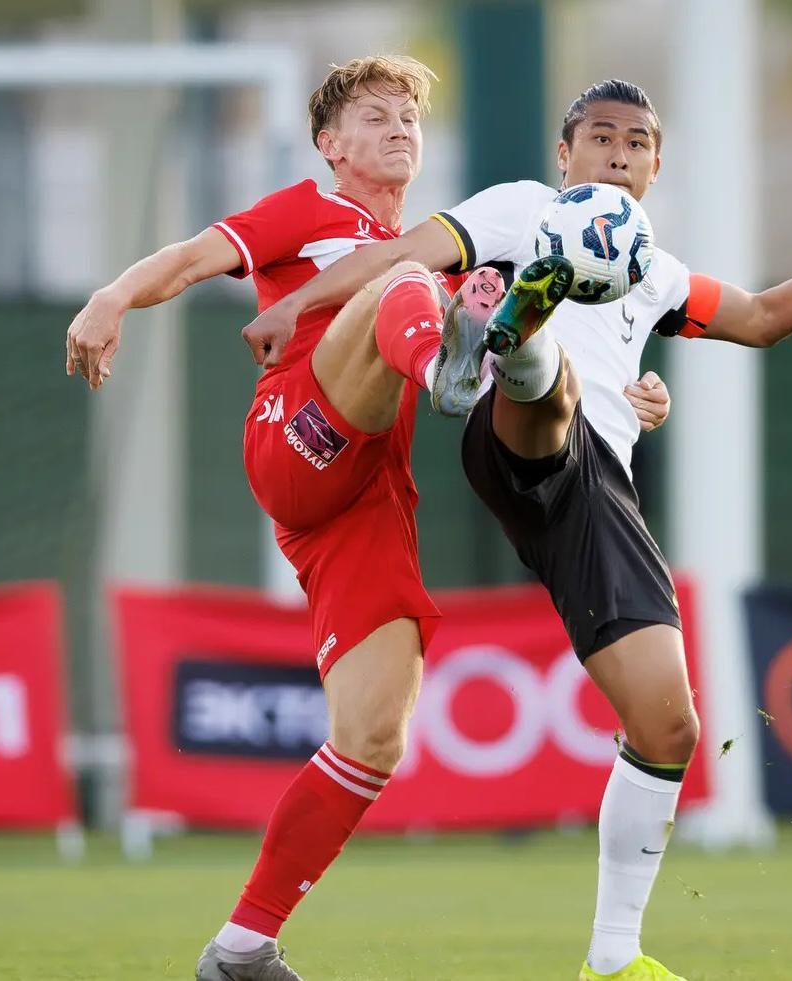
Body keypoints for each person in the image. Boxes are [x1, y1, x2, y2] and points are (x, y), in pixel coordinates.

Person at [242, 78, 792, 981]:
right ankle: (513, 336)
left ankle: (612, 960)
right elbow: (403, 254)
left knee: (668, 725)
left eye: (635, 143)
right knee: (549, 390)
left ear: (654, 168)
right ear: (563, 156)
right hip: (517, 437)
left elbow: (761, 318)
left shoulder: (655, 271)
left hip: (599, 496)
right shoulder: (519, 207)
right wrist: (297, 304)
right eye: (599, 137)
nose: (617, 152)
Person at [64, 56, 534, 981]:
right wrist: (111, 296)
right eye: (375, 116)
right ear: (330, 144)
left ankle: (241, 946)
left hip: (367, 499)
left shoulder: (441, 249)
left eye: (409, 118)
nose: (399, 129)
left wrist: (623, 396)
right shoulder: (310, 211)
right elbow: (190, 258)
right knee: (400, 281)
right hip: (297, 431)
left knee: (373, 735)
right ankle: (446, 366)